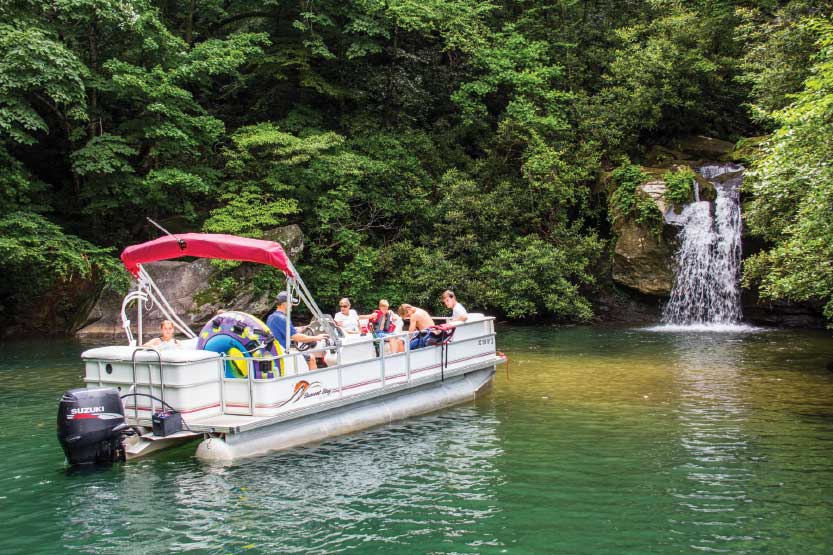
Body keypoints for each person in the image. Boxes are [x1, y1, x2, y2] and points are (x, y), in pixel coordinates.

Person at [266, 292, 328, 369]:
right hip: (283, 353)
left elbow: (289, 330)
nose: (292, 305)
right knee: (311, 358)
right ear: (285, 304)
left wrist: (305, 327)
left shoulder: (272, 317)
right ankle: (312, 380)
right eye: (291, 303)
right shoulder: (283, 319)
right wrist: (317, 338)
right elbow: (297, 337)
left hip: (276, 351)